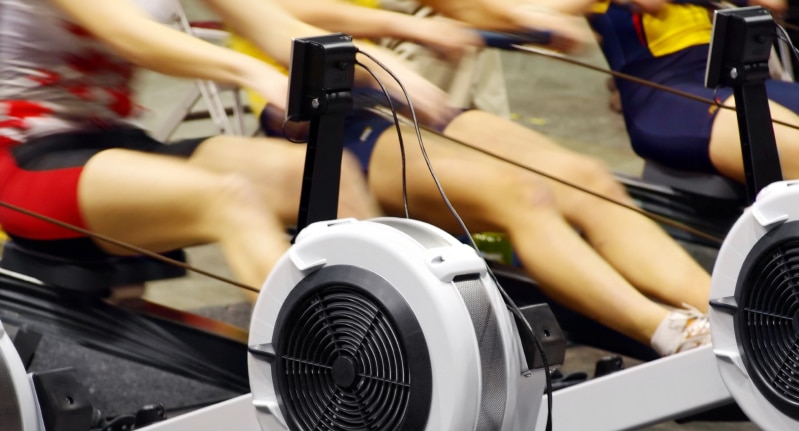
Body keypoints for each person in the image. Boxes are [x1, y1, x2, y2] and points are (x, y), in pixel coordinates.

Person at [230, 0, 714, 356]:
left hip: (393, 98)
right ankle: (666, 331)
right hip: (323, 118)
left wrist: (529, 18)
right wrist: (402, 33)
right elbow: (285, 20)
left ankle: (723, 312)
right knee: (522, 196)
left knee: (585, 179)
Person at [0, 0, 461, 301]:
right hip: (24, 160)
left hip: (114, 144)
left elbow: (278, 28)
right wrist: (249, 72)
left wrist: (394, 70)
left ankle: (394, 335)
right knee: (230, 198)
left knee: (324, 173)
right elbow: (128, 37)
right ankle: (325, 372)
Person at [586, 0, 799, 183]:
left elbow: (773, 4)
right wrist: (554, 19)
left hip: (731, 78)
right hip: (666, 98)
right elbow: (555, 8)